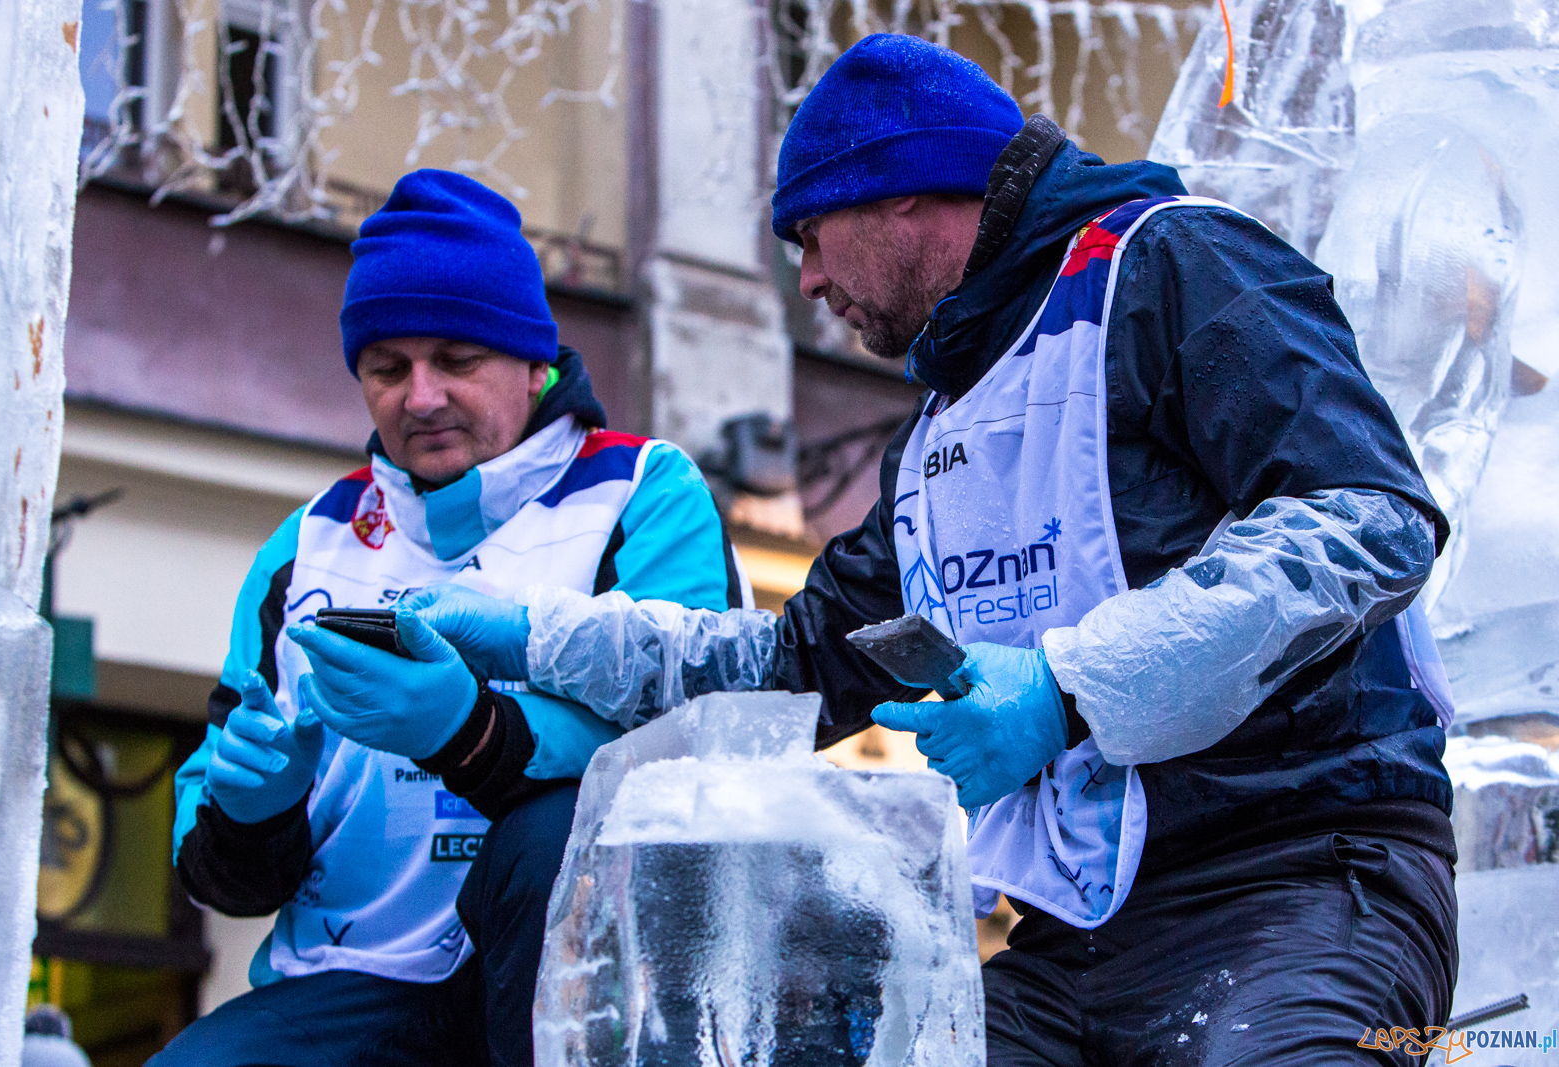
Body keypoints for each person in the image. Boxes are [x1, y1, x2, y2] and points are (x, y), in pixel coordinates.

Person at [408, 36, 1460, 1066]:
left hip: (1307, 877)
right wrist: (534, 634)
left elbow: (1367, 519)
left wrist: (1067, 686)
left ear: (902, 190)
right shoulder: (933, 444)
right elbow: (790, 666)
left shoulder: (1172, 264)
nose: (808, 280)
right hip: (1078, 931)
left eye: (811, 235)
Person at [151, 170, 745, 1067]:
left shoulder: (640, 492)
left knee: (553, 833)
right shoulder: (306, 543)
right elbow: (221, 876)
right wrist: (250, 817)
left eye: (457, 359)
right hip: (353, 982)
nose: (420, 396)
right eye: (387, 368)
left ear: (534, 361)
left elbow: (693, 741)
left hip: (583, 979)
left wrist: (471, 729)